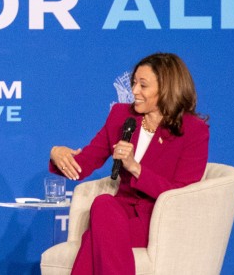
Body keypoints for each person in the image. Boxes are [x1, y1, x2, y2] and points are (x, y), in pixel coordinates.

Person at [47, 52, 210, 275]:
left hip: (157, 220)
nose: (134, 91)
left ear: (167, 88)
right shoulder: (120, 116)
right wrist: (57, 154)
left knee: (96, 234)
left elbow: (183, 195)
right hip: (117, 214)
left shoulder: (193, 130)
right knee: (104, 204)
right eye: (134, 83)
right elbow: (83, 165)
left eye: (143, 85)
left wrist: (136, 168)